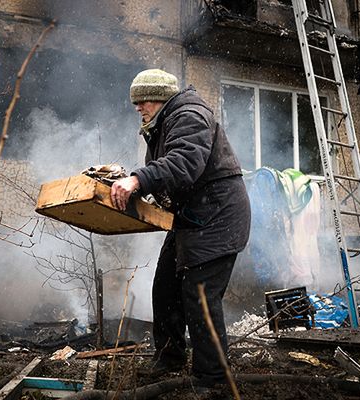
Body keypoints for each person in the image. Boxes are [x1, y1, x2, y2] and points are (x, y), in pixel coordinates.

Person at [110, 69, 251, 389]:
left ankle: (213, 380)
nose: (138, 107)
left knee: (200, 296)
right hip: (194, 218)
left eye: (142, 101)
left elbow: (184, 163)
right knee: (165, 288)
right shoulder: (162, 124)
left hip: (218, 218)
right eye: (136, 102)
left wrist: (137, 179)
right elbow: (170, 176)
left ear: (159, 97)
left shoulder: (189, 115)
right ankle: (170, 359)